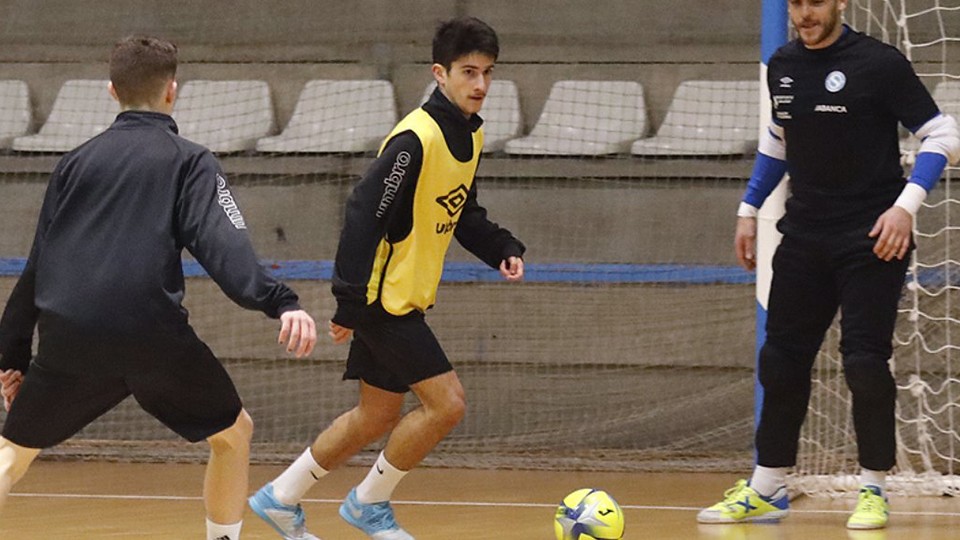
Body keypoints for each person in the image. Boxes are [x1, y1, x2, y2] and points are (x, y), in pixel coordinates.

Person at [0, 35, 317, 540]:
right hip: (150, 332)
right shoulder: (191, 161)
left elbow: (40, 263)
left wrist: (11, 355)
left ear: (111, 90)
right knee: (234, 435)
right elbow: (223, 244)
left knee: (12, 454)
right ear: (173, 91)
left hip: (71, 334)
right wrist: (280, 302)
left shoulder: (73, 163)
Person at [249, 16, 525, 540]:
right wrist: (348, 301)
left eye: (488, 73)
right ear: (439, 74)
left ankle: (279, 498)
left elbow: (461, 210)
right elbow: (362, 214)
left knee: (374, 417)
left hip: (405, 299)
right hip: (382, 301)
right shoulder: (413, 140)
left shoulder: (471, 132)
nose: (481, 85)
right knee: (447, 405)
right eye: (469, 72)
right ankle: (368, 504)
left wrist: (501, 248)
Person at [696, 0, 960, 531]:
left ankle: (873, 488)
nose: (803, 13)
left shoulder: (880, 63)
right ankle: (767, 485)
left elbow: (944, 134)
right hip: (804, 236)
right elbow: (778, 142)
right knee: (781, 359)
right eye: (795, 3)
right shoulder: (784, 65)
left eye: (814, 2)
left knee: (864, 362)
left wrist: (905, 208)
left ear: (839, 1)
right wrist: (749, 210)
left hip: (871, 240)